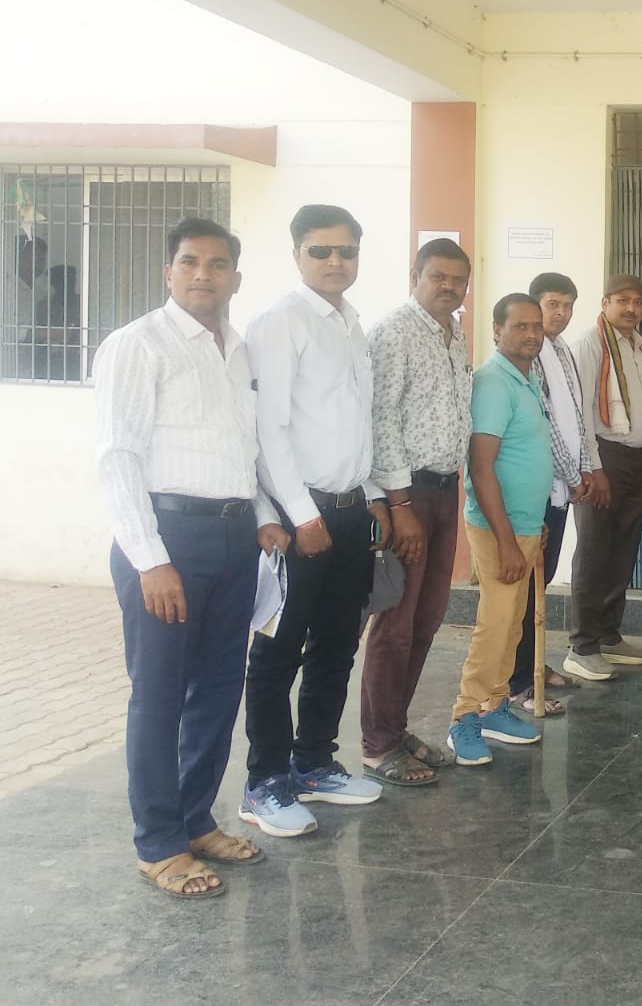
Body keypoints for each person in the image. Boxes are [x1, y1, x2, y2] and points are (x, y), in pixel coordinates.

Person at [95, 218, 289, 899]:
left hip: (234, 538)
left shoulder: (236, 350)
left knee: (217, 686)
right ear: (168, 272)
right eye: (189, 262)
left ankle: (195, 818)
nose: (203, 274)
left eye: (217, 264)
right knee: (159, 693)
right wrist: (150, 560)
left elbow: (242, 448)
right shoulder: (137, 344)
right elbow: (117, 458)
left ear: (235, 276)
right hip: (167, 538)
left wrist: (263, 517)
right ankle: (158, 843)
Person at [241, 205, 389, 837]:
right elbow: (268, 428)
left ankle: (314, 764)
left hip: (350, 512)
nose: (335, 261)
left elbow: (354, 422)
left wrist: (373, 493)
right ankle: (264, 782)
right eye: (321, 250)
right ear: (296, 254)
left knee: (335, 644)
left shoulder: (350, 323)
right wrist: (301, 515)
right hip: (302, 517)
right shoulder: (282, 322)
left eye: (346, 251)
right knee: (279, 653)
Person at [358, 238, 474, 788]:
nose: (448, 287)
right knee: (396, 624)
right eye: (438, 276)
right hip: (408, 496)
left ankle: (396, 727)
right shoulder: (394, 332)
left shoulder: (455, 334)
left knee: (427, 619)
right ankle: (377, 745)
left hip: (446, 491)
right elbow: (380, 419)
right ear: (415, 276)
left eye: (458, 279)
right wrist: (399, 505)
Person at [446, 294, 555, 765]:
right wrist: (508, 540)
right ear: (496, 330)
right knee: (495, 624)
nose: (532, 334)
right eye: (520, 326)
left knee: (511, 624)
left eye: (537, 326)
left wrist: (532, 525)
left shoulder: (526, 378)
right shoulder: (493, 382)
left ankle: (494, 706)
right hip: (498, 528)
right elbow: (481, 467)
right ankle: (464, 716)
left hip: (523, 525)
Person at [564, 274, 642, 680]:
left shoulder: (639, 346)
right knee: (593, 552)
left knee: (622, 552)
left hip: (637, 460)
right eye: (622, 300)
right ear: (605, 303)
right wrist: (594, 469)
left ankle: (608, 634)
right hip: (604, 460)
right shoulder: (590, 346)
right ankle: (582, 646)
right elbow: (581, 413)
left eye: (637, 302)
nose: (631, 308)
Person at [508, 271, 593, 711]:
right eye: (552, 305)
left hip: (560, 487)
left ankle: (535, 665)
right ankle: (518, 681)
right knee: (522, 591)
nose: (561, 313)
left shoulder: (561, 350)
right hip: (536, 487)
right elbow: (547, 425)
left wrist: (586, 467)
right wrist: (574, 473)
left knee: (541, 583)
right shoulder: (528, 356)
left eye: (568, 305)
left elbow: (576, 417)